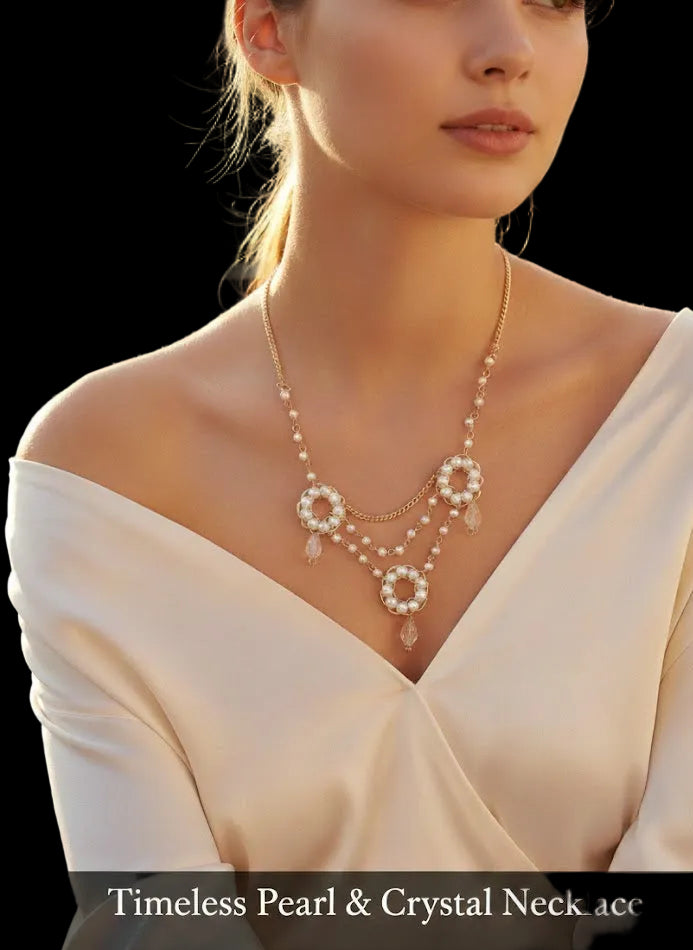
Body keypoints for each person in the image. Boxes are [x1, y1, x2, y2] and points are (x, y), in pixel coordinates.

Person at [5, 0, 692, 945]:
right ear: (266, 30)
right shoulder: (105, 472)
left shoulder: (671, 412)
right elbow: (155, 922)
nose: (508, 50)